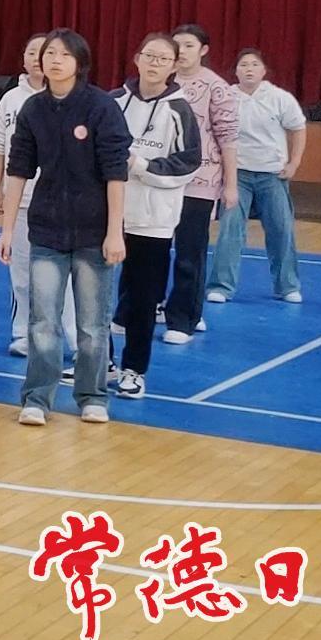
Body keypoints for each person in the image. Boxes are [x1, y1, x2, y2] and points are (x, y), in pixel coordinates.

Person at [0, 29, 131, 426]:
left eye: (64, 55)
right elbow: (18, 171)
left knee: (92, 324)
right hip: (46, 230)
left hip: (93, 231)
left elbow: (116, 174)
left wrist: (115, 231)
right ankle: (37, 398)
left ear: (79, 63)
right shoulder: (32, 109)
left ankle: (92, 396)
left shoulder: (101, 107)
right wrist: (7, 230)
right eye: (49, 53)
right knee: (42, 321)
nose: (54, 60)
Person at [108, 34, 201, 399]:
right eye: (149, 56)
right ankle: (101, 361)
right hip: (109, 216)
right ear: (136, 58)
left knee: (143, 298)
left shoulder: (179, 110)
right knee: (94, 293)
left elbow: (188, 163)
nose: (154, 63)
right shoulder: (114, 101)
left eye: (163, 59)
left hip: (153, 221)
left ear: (174, 66)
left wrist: (140, 165)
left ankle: (134, 370)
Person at [0, 32, 78, 360]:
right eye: (33, 52)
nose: (42, 59)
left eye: (52, 52)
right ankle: (23, 334)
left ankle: (77, 342)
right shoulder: (11, 99)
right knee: (22, 273)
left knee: (67, 277)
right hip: (23, 200)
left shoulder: (73, 100)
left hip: (62, 201)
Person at [206, 48, 307, 304]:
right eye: (243, 65)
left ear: (263, 71)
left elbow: (298, 128)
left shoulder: (279, 98)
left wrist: (294, 163)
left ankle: (287, 286)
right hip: (236, 174)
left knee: (281, 229)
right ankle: (221, 286)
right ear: (236, 71)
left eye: (254, 65)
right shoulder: (226, 96)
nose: (248, 69)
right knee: (230, 230)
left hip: (272, 174)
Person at [162, 24, 239, 344]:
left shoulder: (216, 87)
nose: (181, 51)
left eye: (189, 45)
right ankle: (146, 306)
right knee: (152, 248)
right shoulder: (162, 81)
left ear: (203, 50)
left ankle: (185, 318)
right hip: (159, 178)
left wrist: (230, 184)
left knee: (189, 252)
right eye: (176, 44)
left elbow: (228, 138)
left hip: (200, 180)